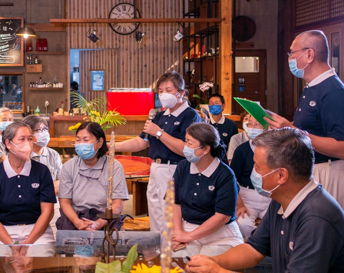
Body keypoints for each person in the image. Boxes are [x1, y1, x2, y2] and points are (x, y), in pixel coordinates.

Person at [186, 128, 344, 273]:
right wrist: (212, 262)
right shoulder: (281, 200)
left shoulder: (317, 215)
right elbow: (254, 249)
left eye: (257, 167)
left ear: (281, 175)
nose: (252, 171)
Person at [267, 30, 344, 211]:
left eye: (292, 53)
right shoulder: (312, 86)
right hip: (310, 168)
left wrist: (293, 131)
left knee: (322, 234)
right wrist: (283, 126)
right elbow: (307, 128)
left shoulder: (333, 91)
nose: (290, 58)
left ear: (309, 54)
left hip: (329, 171)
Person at [116, 71, 202, 233]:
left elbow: (186, 149)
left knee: (171, 215)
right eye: (160, 91)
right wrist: (112, 146)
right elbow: (141, 142)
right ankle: (158, 250)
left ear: (181, 93)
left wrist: (159, 133)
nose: (163, 95)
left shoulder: (190, 115)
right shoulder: (159, 115)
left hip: (176, 169)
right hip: (156, 168)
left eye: (168, 90)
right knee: (155, 212)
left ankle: (174, 254)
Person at [0, 122, 57, 265]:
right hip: (2, 233)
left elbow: (47, 212)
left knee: (42, 259)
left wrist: (28, 242)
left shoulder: (42, 171)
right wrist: (12, 244)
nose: (27, 143)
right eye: (22, 139)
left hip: (37, 231)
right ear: (8, 144)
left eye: (30, 139)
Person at [171, 123, 243, 256]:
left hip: (220, 234)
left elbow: (222, 217)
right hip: (187, 229)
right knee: (177, 265)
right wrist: (178, 233)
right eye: (185, 141)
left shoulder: (225, 174)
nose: (185, 147)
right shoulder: (182, 167)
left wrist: (189, 237)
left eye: (190, 143)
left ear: (205, 149)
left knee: (203, 265)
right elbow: (176, 203)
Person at [58, 122, 128, 231]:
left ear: (100, 142)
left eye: (86, 140)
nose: (81, 144)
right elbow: (65, 201)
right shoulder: (69, 166)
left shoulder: (114, 166)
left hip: (106, 218)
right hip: (75, 219)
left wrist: (98, 224)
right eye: (78, 140)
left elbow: (117, 203)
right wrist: (78, 222)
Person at [230, 115, 271, 238]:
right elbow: (232, 181)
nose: (252, 128)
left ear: (266, 127)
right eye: (250, 124)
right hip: (247, 198)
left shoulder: (276, 149)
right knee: (242, 223)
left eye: (257, 124)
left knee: (279, 223)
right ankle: (254, 245)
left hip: (270, 197)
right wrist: (240, 205)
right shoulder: (242, 150)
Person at [23, 115, 63, 229]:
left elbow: (61, 182)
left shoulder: (53, 154)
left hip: (52, 202)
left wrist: (40, 191)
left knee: (58, 226)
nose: (44, 133)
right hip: (27, 204)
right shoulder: (22, 155)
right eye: (39, 130)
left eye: (45, 129)